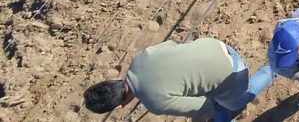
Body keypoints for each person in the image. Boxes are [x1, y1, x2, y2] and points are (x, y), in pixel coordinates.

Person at [83, 37, 272, 121]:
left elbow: (205, 108)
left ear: (118, 107)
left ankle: (274, 69)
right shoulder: (139, 59)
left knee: (232, 103)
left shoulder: (155, 103)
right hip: (216, 46)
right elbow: (172, 45)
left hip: (233, 71)